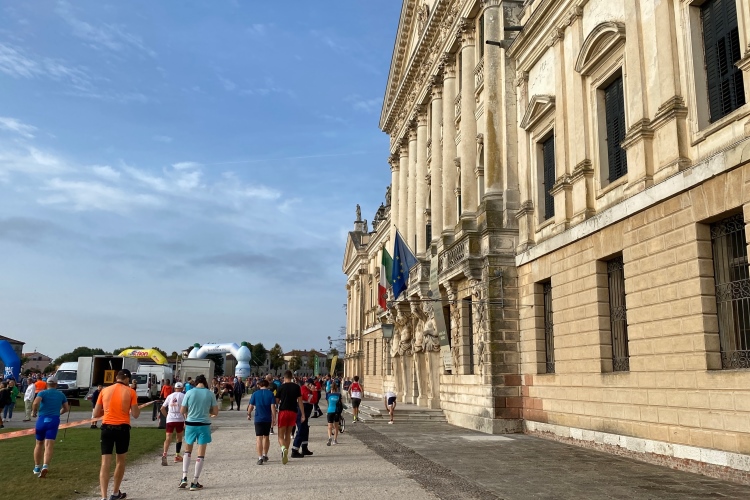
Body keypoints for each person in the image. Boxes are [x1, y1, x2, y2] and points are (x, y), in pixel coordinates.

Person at [94, 369, 140, 500]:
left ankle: (103, 496)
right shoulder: (131, 391)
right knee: (120, 461)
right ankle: (115, 492)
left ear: (116, 378)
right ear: (127, 379)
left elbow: (96, 413)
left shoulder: (104, 390)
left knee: (105, 462)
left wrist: (107, 411)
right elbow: (135, 414)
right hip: (122, 429)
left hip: (106, 428)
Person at [179, 374, 218, 491]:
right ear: (205, 383)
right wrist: (207, 410)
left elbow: (182, 410)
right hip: (203, 424)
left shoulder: (189, 392)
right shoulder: (210, 394)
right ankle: (195, 481)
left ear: (195, 382)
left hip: (190, 424)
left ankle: (184, 477)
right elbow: (215, 412)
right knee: (200, 454)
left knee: (187, 450)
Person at [31, 377, 70, 478]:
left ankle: (37, 467)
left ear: (46, 384)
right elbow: (66, 408)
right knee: (49, 445)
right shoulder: (61, 394)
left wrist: (34, 412)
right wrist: (58, 413)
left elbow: (35, 402)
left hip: (42, 419)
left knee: (39, 443)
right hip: (53, 420)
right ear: (56, 384)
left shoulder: (42, 393)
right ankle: (45, 465)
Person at [275, 370, 304, 465]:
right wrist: (303, 414)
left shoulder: (280, 387)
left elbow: (276, 401)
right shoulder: (297, 387)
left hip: (283, 411)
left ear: (284, 377)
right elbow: (300, 401)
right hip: (293, 412)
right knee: (288, 434)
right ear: (291, 377)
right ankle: (285, 454)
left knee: (280, 435)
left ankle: (283, 449)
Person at [247, 379, 277, 465]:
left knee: (259, 438)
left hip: (258, 418)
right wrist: (274, 418)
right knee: (266, 437)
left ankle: (260, 457)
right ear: (268, 385)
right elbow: (273, 407)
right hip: (267, 418)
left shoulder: (255, 394)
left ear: (259, 385)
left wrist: (249, 414)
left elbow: (251, 406)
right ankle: (265, 455)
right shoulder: (270, 394)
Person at [161, 381, 186, 466]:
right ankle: (177, 455)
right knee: (179, 437)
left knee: (168, 438)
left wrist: (167, 416)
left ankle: (165, 454)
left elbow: (162, 408)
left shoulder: (169, 396)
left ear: (175, 388)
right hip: (179, 418)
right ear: (182, 388)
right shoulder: (183, 396)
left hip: (170, 418)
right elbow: (185, 409)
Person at [291, 378, 316, 458]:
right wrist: (314, 391)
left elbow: (314, 399)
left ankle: (304, 448)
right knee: (301, 430)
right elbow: (312, 399)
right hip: (301, 413)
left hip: (305, 413)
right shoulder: (303, 389)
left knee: (305, 429)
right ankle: (295, 450)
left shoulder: (308, 390)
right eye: (311, 385)